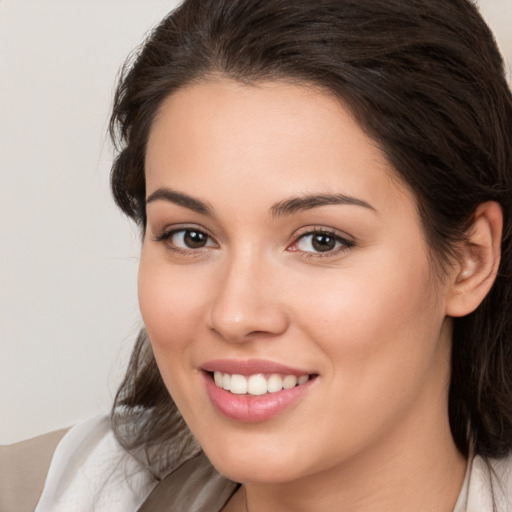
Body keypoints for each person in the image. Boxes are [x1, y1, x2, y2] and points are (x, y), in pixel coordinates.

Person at [3, 0, 511, 511]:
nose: (235, 314)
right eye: (191, 237)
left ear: (470, 260)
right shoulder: (39, 493)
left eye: (320, 240)